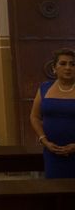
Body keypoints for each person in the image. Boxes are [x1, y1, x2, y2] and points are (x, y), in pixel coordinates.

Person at [30, 48, 75, 179]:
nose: (68, 68)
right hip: (52, 152)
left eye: (72, 64)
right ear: (54, 68)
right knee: (55, 190)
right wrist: (44, 140)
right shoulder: (44, 88)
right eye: (63, 63)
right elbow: (35, 116)